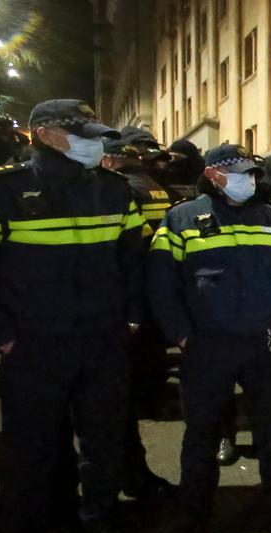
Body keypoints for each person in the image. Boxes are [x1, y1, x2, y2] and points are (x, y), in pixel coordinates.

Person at [0, 99, 145, 533]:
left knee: (104, 441)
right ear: (47, 134)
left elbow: (133, 261)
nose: (96, 146)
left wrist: (132, 319)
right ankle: (27, 531)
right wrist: (3, 338)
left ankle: (99, 519)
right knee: (31, 447)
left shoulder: (114, 191)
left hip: (102, 341)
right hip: (34, 346)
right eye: (86, 135)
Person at [147, 144, 271, 533]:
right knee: (203, 426)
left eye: (253, 173)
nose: (249, 180)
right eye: (240, 173)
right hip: (208, 344)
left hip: (263, 340)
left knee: (270, 420)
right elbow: (160, 285)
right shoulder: (181, 219)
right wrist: (182, 336)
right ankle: (196, 501)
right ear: (215, 175)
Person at [96, 134, 178, 498]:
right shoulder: (152, 184)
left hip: (134, 282)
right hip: (150, 280)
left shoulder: (123, 189)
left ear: (110, 161)